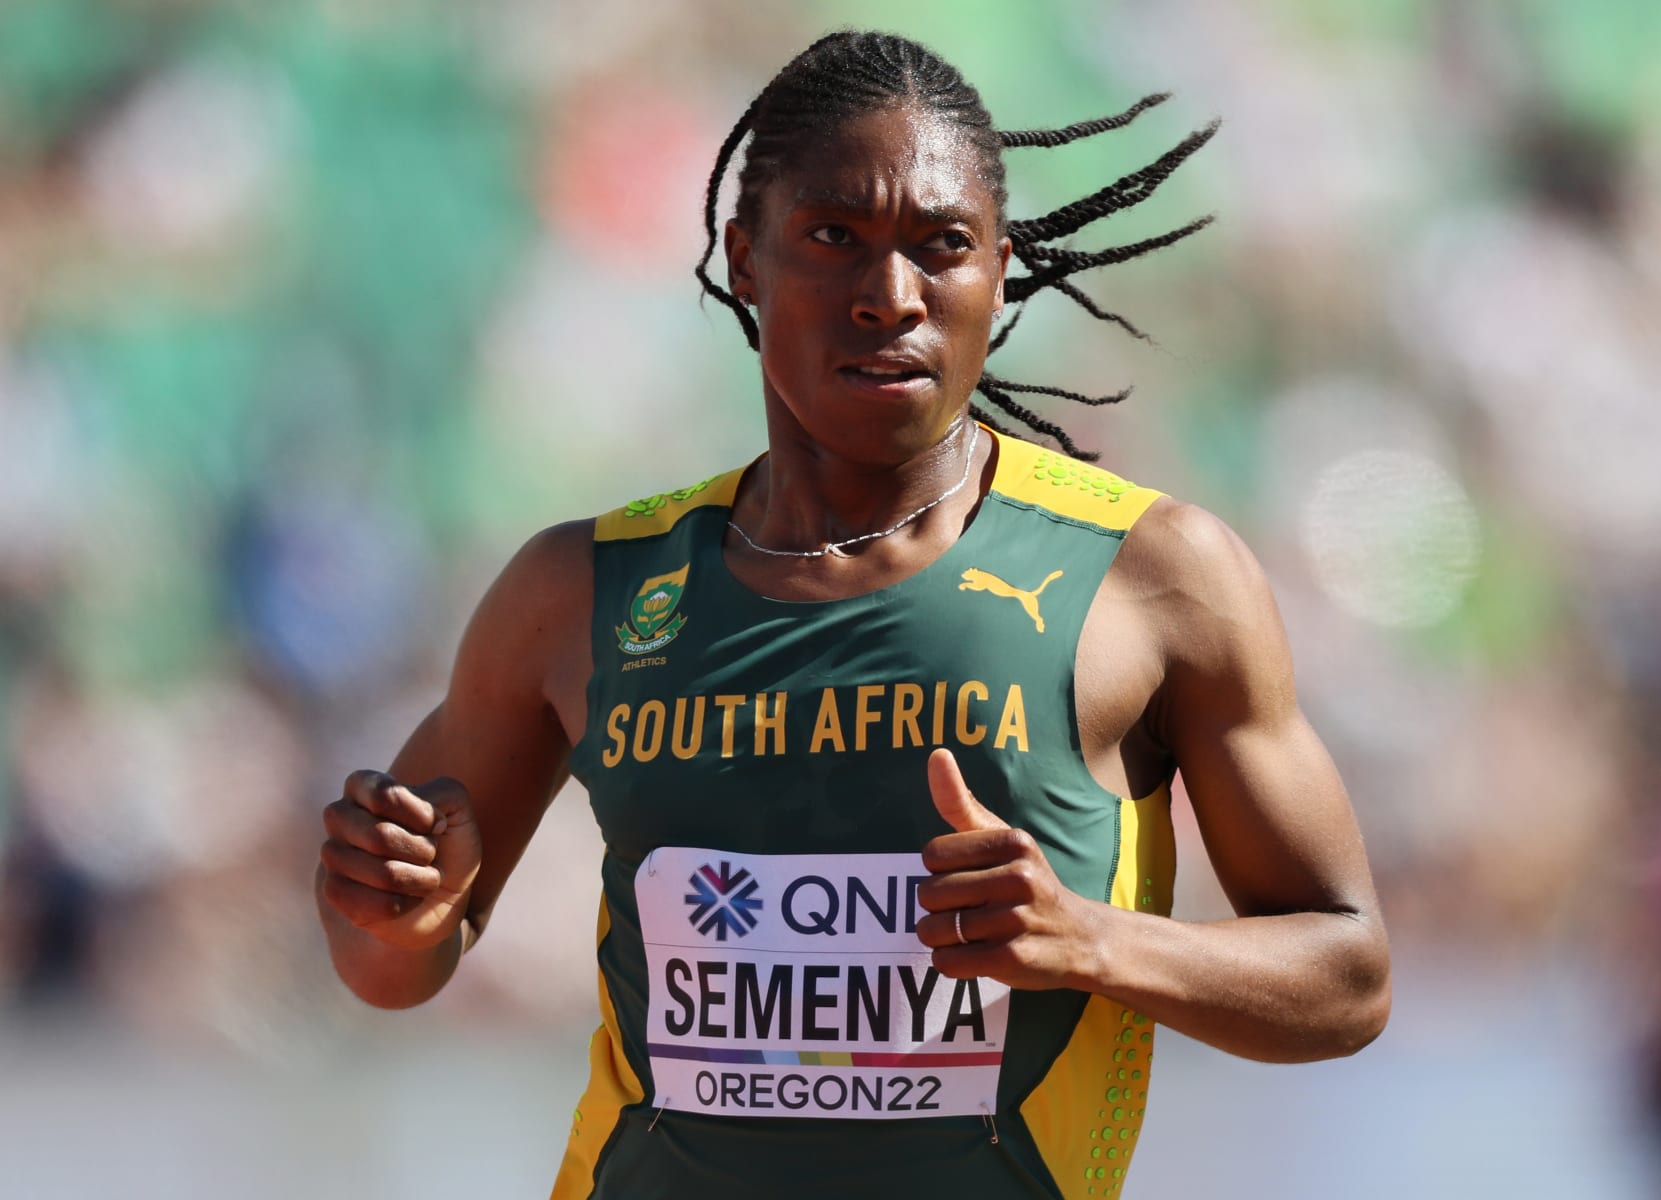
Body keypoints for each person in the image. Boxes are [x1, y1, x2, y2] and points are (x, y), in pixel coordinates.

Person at [315, 30, 1390, 1199]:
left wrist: (1093, 941)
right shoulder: (579, 592)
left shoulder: (1153, 576)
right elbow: (384, 970)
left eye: (942, 247)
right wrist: (401, 911)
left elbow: (1346, 978)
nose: (891, 297)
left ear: (998, 269)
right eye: (833, 239)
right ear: (743, 261)